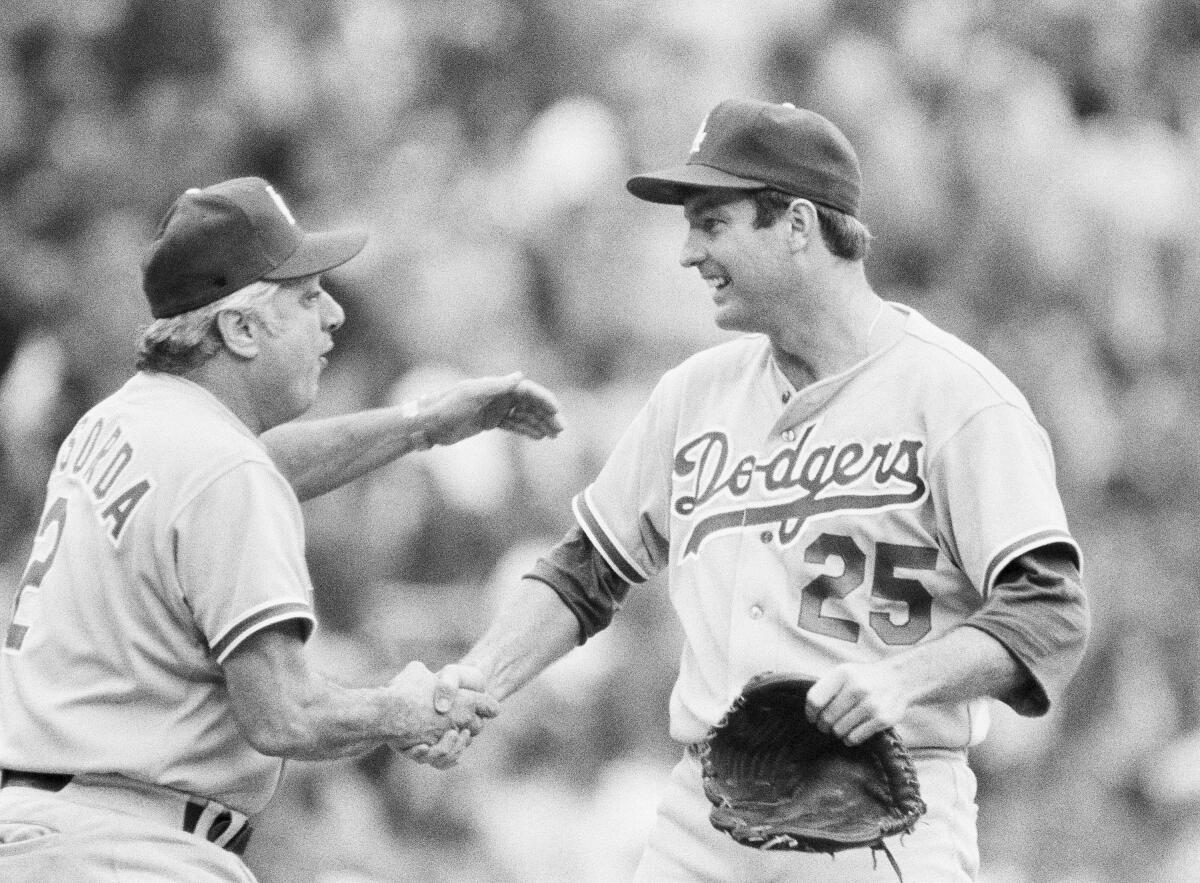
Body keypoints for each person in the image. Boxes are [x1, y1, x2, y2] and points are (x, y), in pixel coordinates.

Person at [418, 99, 1091, 881]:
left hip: (881, 806)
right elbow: (585, 568)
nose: (688, 252)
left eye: (712, 222)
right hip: (707, 809)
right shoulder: (693, 395)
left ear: (798, 225)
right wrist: (481, 681)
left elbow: (1050, 610)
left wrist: (905, 676)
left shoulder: (957, 397)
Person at [0, 176, 563, 882]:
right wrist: (403, 709)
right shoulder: (219, 469)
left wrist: (421, 424)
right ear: (239, 328)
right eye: (305, 297)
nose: (332, 315)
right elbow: (285, 716)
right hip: (134, 850)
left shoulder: (119, 420)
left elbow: (252, 468)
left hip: (44, 833)